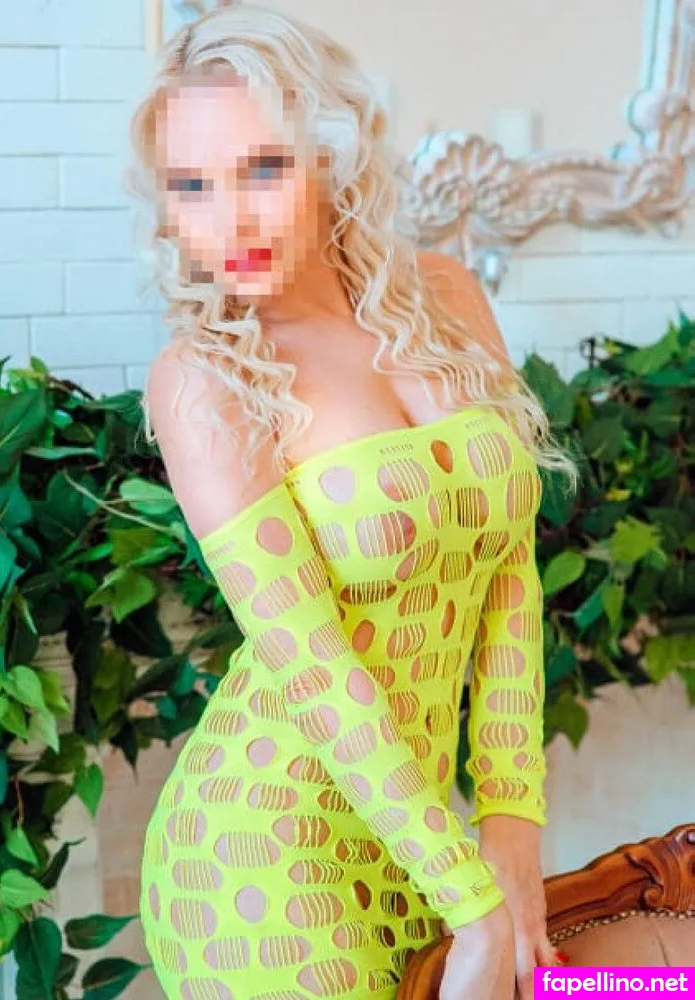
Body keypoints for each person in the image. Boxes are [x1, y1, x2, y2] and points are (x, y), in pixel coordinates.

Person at [127, 5, 577, 998]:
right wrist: (470, 901)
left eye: (262, 168)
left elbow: (507, 563)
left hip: (428, 847)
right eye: (191, 186)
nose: (229, 221)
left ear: (329, 156)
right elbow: (312, 663)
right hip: (263, 863)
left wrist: (510, 825)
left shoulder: (446, 296)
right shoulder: (203, 377)